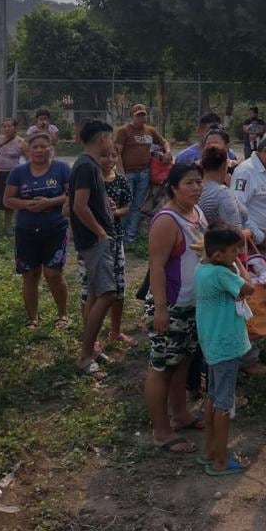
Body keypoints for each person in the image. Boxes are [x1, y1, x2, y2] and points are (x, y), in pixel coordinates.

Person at [144, 161, 205, 452]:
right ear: (173, 187)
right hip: (171, 305)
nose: (195, 188)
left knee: (182, 362)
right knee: (161, 368)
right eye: (189, 183)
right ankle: (161, 431)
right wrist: (160, 308)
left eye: (198, 182)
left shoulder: (196, 213)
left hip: (192, 304)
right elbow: (155, 266)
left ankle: (180, 415)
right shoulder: (167, 219)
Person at [195, 226, 254, 475]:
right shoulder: (222, 274)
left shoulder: (202, 269)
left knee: (212, 397)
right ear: (218, 255)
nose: (237, 254)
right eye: (234, 251)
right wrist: (240, 265)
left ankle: (208, 450)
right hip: (226, 346)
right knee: (224, 404)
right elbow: (248, 288)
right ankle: (221, 460)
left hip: (211, 344)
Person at [231, 131, 266, 377]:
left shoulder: (265, 171)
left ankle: (256, 344)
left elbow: (265, 203)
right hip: (255, 247)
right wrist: (260, 235)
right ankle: (248, 357)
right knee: (252, 298)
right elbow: (238, 208)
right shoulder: (246, 171)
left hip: (265, 245)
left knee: (262, 296)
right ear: (265, 150)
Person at [3, 133, 71, 328]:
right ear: (29, 150)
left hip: (55, 229)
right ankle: (33, 318)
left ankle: (63, 315)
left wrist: (50, 202)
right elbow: (7, 200)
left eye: (44, 146)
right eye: (35, 147)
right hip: (26, 231)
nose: (40, 150)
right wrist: (26, 204)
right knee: (30, 275)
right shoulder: (18, 172)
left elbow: (71, 194)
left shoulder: (62, 169)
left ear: (51, 148)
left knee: (53, 275)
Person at [69, 120, 119, 377]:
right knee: (108, 293)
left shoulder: (86, 165)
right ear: (102, 138)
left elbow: (87, 201)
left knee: (94, 294)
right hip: (94, 241)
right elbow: (79, 206)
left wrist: (104, 202)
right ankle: (85, 356)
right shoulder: (87, 166)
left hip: (95, 240)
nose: (112, 143)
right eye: (110, 138)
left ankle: (91, 348)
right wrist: (100, 231)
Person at [78, 149, 137, 348]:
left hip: (115, 239)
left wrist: (114, 211)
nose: (110, 160)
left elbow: (127, 207)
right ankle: (90, 338)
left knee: (118, 288)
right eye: (105, 155)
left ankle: (116, 331)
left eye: (114, 155)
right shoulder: (89, 180)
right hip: (93, 242)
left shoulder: (121, 180)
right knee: (91, 290)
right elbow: (74, 208)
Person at [114, 104, 171, 245]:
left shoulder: (150, 131)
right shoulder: (124, 131)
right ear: (132, 116)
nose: (141, 118)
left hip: (144, 172)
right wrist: (121, 173)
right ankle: (119, 236)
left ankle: (130, 238)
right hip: (128, 172)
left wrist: (168, 151)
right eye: (138, 115)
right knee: (126, 204)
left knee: (137, 206)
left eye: (143, 115)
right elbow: (117, 152)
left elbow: (164, 141)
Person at [0, 118, 27, 236]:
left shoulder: (21, 142)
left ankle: (7, 227)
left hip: (11, 175)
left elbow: (29, 158)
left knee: (8, 201)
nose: (6, 128)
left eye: (9, 126)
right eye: (4, 126)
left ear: (15, 128)